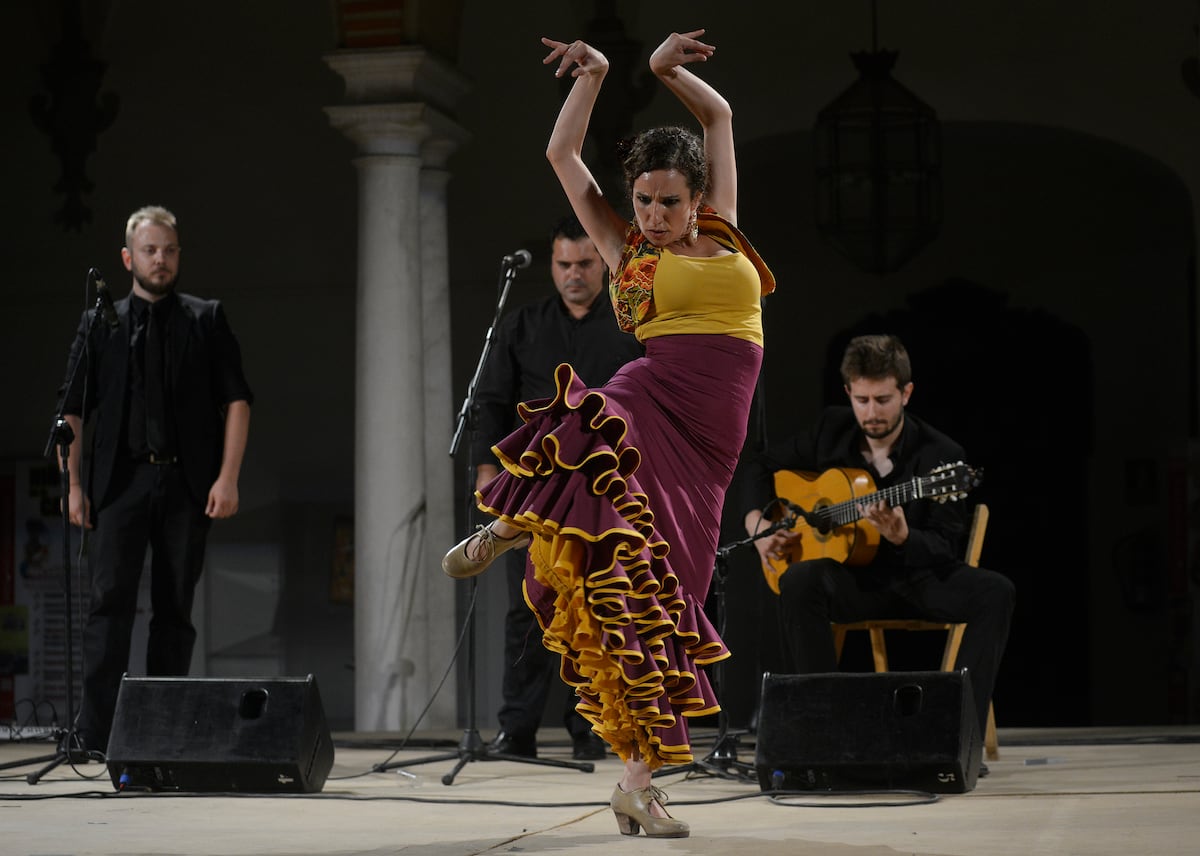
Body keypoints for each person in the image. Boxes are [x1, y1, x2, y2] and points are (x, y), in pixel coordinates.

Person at [443, 29, 775, 839]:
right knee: (599, 418)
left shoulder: (723, 229)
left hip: (711, 446)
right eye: (645, 200)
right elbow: (562, 153)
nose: (655, 215)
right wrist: (591, 78)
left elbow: (721, 115)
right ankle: (513, 520)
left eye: (670, 200)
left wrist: (663, 70)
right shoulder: (624, 251)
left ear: (696, 197)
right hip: (654, 396)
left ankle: (636, 785)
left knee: (666, 602)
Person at [741, 334, 1014, 757]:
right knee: (798, 579)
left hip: (917, 581)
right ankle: (823, 735)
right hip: (854, 584)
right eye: (862, 399)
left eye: (883, 399)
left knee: (996, 590)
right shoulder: (831, 429)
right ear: (848, 391)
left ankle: (963, 739)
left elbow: (945, 546)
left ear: (906, 392)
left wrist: (905, 538)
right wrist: (758, 524)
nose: (872, 412)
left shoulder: (942, 456)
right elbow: (759, 464)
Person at [57, 205, 253, 754]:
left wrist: (228, 478)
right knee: (108, 606)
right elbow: (71, 411)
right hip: (118, 486)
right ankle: (94, 736)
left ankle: (161, 736)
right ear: (128, 258)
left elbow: (236, 400)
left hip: (185, 486)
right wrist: (72, 485)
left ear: (178, 253)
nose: (160, 259)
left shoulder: (205, 318)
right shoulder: (101, 322)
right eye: (150, 250)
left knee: (175, 612)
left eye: (168, 249)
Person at [474, 214, 643, 762]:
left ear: (603, 264)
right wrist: (485, 470)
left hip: (604, 486)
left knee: (599, 604)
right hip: (532, 488)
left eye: (585, 263)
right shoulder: (522, 325)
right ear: (551, 264)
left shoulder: (628, 325)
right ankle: (516, 729)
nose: (573, 274)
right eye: (563, 264)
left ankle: (591, 728)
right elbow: (492, 401)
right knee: (528, 607)